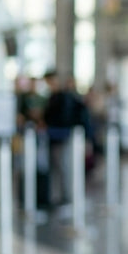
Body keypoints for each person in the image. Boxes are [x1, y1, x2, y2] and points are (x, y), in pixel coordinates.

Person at [42, 70, 91, 207]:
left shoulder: (63, 98)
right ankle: (62, 196)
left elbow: (60, 118)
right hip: (57, 137)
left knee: (64, 167)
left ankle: (67, 197)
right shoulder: (58, 97)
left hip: (62, 137)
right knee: (60, 167)